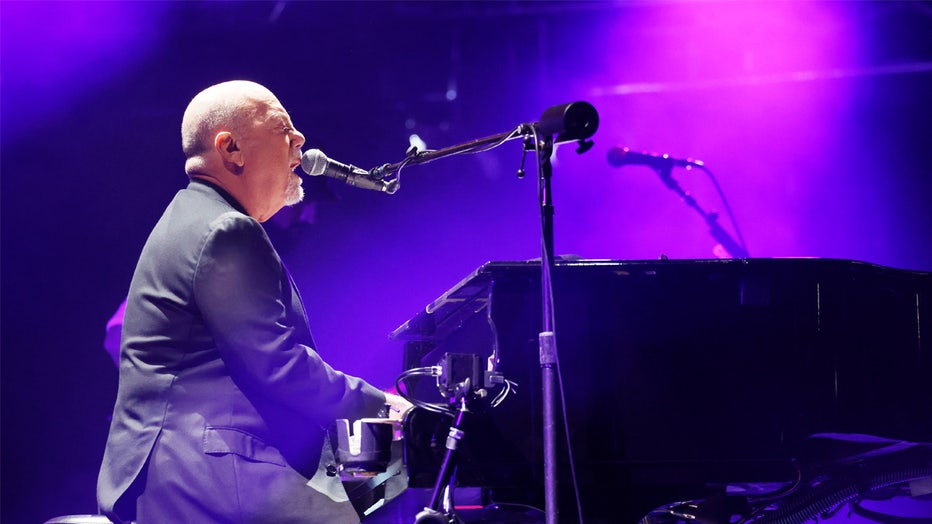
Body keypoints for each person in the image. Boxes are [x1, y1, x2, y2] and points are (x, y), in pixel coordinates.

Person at [97, 80, 409, 523]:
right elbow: (278, 365)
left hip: (183, 468)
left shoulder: (195, 217)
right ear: (231, 149)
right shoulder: (226, 229)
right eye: (283, 127)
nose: (300, 139)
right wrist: (383, 406)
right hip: (206, 472)